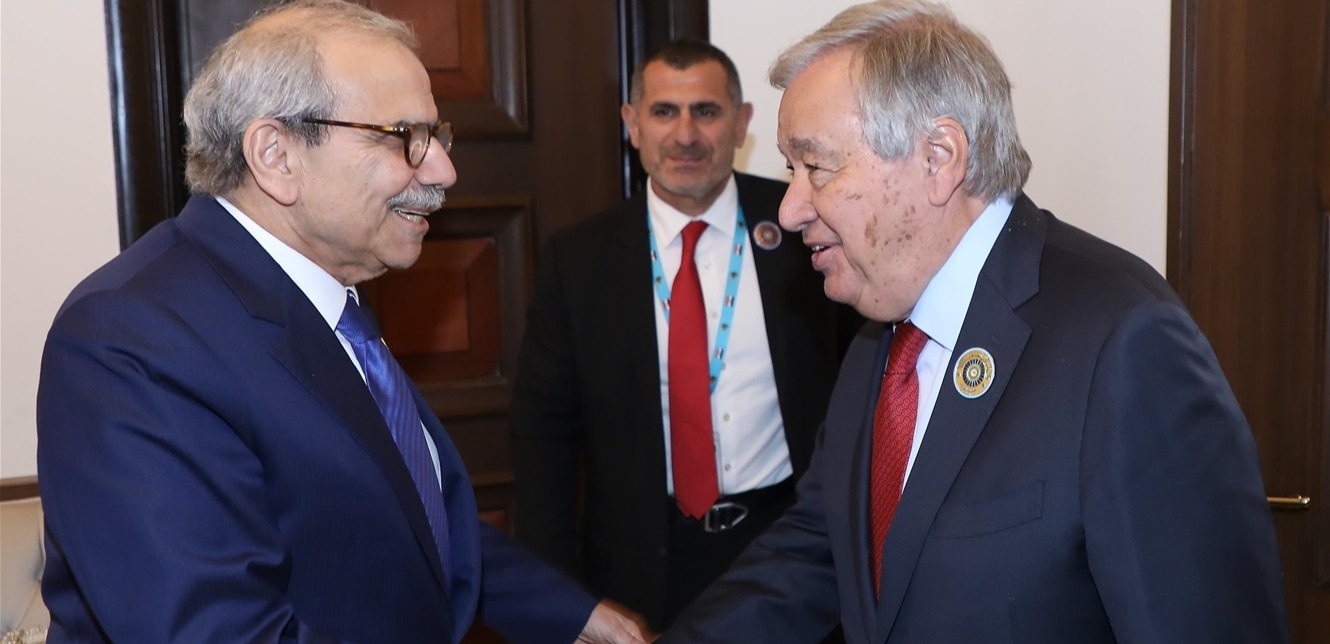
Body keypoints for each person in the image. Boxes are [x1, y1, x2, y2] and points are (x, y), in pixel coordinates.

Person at [663, 1, 1289, 642]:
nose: (791, 208)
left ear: (939, 158)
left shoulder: (1124, 343)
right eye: (791, 170)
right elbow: (815, 553)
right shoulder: (877, 342)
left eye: (816, 167)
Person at [35, 2, 646, 642]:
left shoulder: (323, 295)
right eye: (404, 136)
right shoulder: (128, 339)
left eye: (436, 136)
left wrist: (572, 614)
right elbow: (220, 630)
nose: (443, 170)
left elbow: (396, 519)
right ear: (276, 155)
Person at [510, 39, 855, 631]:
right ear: (633, 124)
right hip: (643, 568)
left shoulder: (805, 226)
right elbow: (544, 442)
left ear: (742, 123)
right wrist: (558, 602)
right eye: (665, 112)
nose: (686, 135)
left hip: (793, 548)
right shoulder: (578, 261)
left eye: (707, 111)